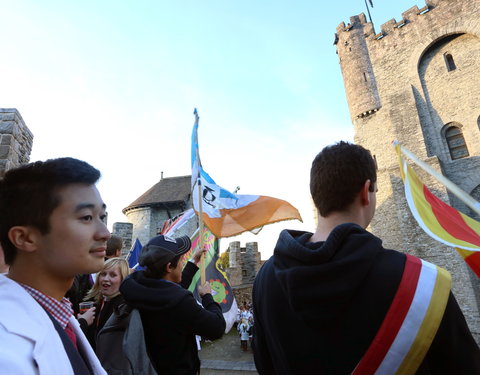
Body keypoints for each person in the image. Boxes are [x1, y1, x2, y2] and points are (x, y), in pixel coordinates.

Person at [252, 141, 480, 374]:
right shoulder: (422, 284)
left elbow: (264, 364)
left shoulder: (264, 280)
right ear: (366, 191)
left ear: (316, 197)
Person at [0, 157, 110, 374]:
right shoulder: (6, 349)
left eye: (102, 216)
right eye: (86, 217)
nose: (105, 233)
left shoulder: (60, 313)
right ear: (25, 238)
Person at [120, 234, 226, 375]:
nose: (182, 263)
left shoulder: (134, 288)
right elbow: (217, 327)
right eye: (182, 260)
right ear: (169, 267)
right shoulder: (180, 303)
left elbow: (168, 292)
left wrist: (193, 263)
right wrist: (207, 297)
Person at [80, 257, 130, 350]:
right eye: (103, 274)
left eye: (113, 275)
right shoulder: (96, 304)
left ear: (123, 279)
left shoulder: (124, 309)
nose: (106, 279)